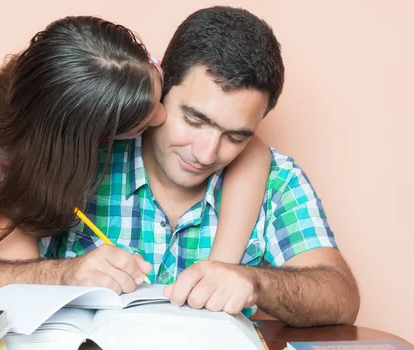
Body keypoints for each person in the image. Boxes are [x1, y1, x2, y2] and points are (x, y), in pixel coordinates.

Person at [40, 6, 360, 327]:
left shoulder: (278, 181)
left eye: (235, 136)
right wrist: (61, 274)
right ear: (162, 88)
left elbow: (341, 297)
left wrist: (257, 283)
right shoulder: (88, 151)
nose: (207, 154)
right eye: (194, 121)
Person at [0, 15, 272, 300]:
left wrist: (219, 268)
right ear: (89, 138)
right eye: (141, 123)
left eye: (158, 96)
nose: (160, 118)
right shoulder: (6, 167)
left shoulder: (128, 75)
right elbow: (22, 279)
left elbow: (251, 144)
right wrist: (74, 275)